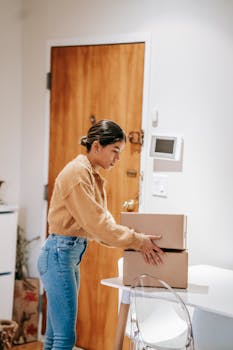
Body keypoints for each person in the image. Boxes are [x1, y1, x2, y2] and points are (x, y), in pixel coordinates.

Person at [37, 119, 164, 350]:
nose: (117, 159)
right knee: (64, 338)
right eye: (114, 151)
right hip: (58, 256)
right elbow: (98, 225)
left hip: (66, 256)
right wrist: (137, 240)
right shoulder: (77, 175)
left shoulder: (90, 175)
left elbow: (100, 229)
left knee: (55, 336)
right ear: (96, 146)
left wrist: (135, 241)